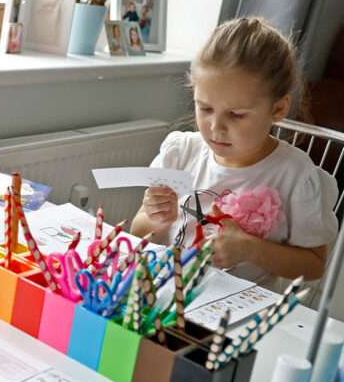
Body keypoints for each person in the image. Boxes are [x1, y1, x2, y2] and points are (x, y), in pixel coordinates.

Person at [130, 17, 338, 292]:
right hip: (167, 296)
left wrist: (252, 250)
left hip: (237, 315)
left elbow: (313, 265)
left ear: (278, 109)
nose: (216, 127)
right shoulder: (179, 153)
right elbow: (136, 232)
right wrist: (156, 218)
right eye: (205, 109)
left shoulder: (295, 175)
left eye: (236, 115)